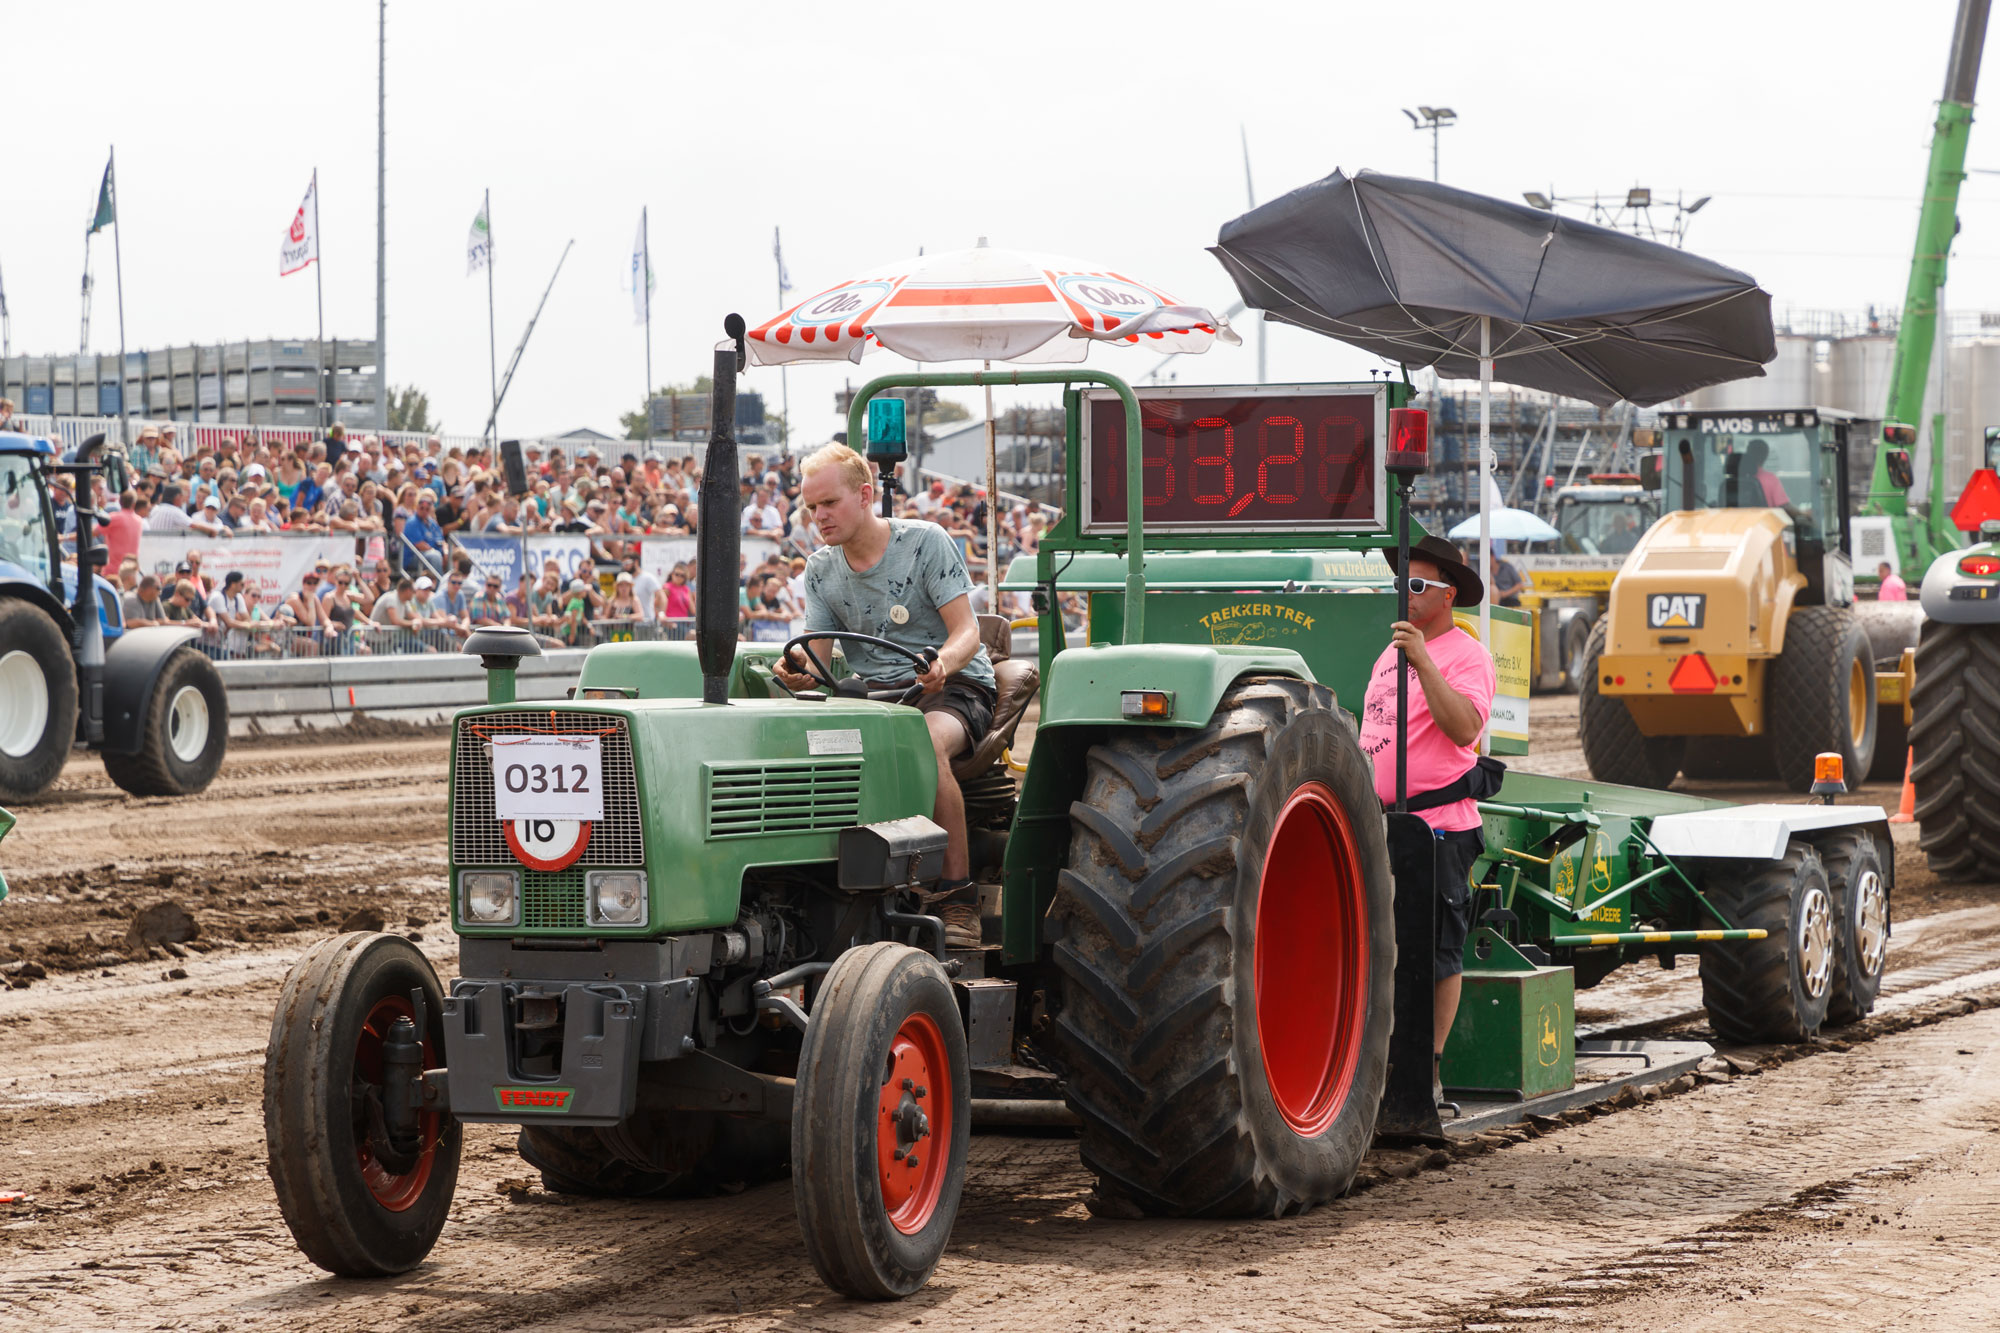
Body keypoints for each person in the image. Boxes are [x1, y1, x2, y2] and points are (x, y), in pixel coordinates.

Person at [773, 443, 997, 947]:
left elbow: (967, 632)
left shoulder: (924, 543)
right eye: (812, 507)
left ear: (866, 495)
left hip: (947, 686)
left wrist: (943, 663)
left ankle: (957, 897)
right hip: (874, 697)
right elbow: (817, 653)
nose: (819, 517)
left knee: (922, 742)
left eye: (829, 503)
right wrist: (795, 670)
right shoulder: (821, 569)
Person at [1356, 535, 1496, 1111]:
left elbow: (1464, 729)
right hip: (1383, 823)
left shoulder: (1468, 656)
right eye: (1400, 584)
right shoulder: (1387, 654)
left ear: (1448, 596)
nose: (1404, 595)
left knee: (1437, 950)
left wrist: (1422, 661)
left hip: (1439, 824)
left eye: (1416, 586)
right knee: (1378, 947)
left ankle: (1430, 1069)